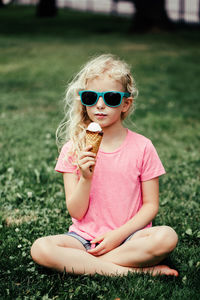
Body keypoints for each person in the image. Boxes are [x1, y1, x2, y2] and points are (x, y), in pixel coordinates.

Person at [31, 54, 178, 277]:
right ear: (83, 101)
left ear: (126, 104)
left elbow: (150, 206)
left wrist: (117, 236)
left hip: (130, 238)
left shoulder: (143, 147)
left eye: (110, 97)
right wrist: (86, 177)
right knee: (40, 248)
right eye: (91, 97)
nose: (100, 105)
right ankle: (132, 271)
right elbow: (76, 212)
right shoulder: (73, 149)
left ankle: (88, 265)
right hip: (84, 238)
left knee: (167, 237)